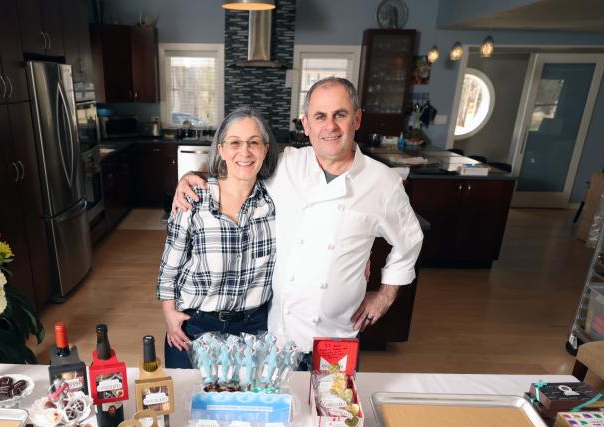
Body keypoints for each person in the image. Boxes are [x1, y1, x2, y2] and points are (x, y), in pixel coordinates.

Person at [173, 77, 424, 365]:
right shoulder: (286, 164)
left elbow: (410, 241)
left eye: (340, 115)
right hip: (278, 335)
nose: (329, 126)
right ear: (305, 125)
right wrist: (194, 178)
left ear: (357, 119)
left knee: (331, 408)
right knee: (278, 406)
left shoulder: (384, 183)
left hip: (338, 335)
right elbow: (239, 173)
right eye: (320, 116)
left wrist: (385, 295)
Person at [157, 106, 278, 368]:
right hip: (195, 326)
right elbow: (170, 267)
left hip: (253, 331)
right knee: (188, 404)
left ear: (265, 149)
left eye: (254, 143)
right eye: (235, 142)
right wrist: (168, 312)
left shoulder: (276, 203)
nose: (244, 152)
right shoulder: (193, 199)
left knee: (242, 406)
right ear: (221, 149)